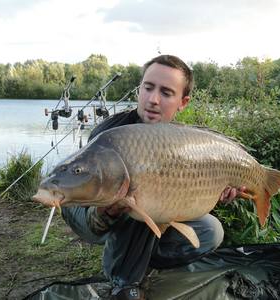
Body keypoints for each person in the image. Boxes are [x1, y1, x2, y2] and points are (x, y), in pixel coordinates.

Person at [62, 55, 244, 300]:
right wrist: (104, 212)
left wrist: (218, 188)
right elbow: (84, 194)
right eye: (148, 88)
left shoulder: (178, 138)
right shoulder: (111, 135)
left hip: (140, 207)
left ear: (183, 102)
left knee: (210, 230)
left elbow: (185, 194)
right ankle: (123, 279)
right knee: (144, 198)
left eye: (166, 93)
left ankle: (144, 262)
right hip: (82, 208)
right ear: (140, 90)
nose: (153, 99)